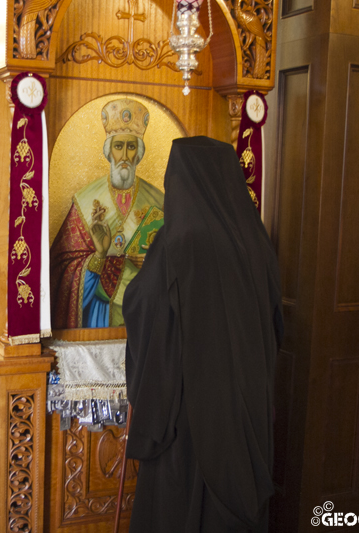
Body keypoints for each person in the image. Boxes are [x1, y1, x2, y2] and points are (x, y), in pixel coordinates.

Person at [123, 137, 283, 533]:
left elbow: (145, 307)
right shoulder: (257, 242)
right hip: (246, 406)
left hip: (190, 412)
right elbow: (274, 324)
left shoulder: (178, 242)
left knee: (180, 506)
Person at [51, 98, 164, 329]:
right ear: (108, 151)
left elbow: (177, 258)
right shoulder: (84, 200)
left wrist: (154, 262)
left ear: (139, 153)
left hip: (146, 310)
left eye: (131, 147)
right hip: (99, 312)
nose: (124, 155)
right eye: (118, 146)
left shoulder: (159, 200)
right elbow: (63, 267)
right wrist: (99, 257)